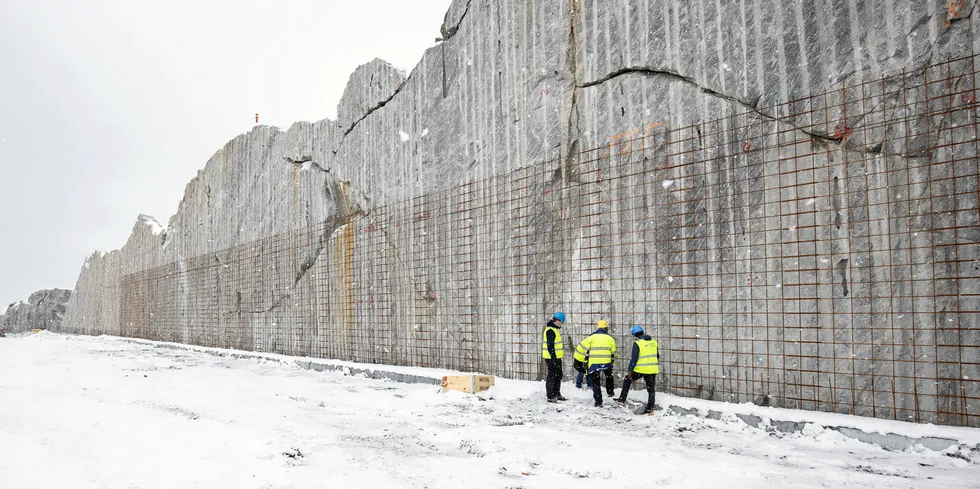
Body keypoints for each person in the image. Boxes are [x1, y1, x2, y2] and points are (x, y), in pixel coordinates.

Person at [615, 326, 660, 414]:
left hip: (641, 369)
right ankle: (650, 408)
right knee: (651, 389)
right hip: (652, 369)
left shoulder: (638, 343)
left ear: (635, 334)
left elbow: (634, 359)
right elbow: (657, 356)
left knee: (627, 380)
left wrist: (630, 371)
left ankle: (621, 399)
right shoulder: (654, 342)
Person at [576, 320, 616, 406]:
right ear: (606, 328)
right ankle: (610, 392)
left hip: (594, 364)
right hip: (607, 363)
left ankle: (598, 402)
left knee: (596, 382)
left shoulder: (591, 337)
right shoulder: (610, 338)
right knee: (609, 376)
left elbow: (585, 350)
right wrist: (612, 363)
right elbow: (613, 353)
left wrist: (584, 361)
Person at [542, 311, 567, 402]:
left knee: (558, 375)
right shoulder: (550, 330)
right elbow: (550, 346)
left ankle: (557, 393)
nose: (561, 324)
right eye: (561, 322)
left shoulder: (554, 329)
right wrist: (553, 358)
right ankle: (550, 396)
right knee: (552, 376)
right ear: (557, 321)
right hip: (551, 357)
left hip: (556, 357)